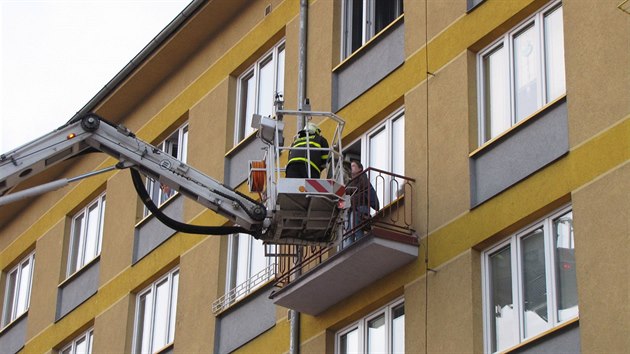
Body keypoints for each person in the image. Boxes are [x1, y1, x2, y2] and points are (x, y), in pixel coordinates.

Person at [343, 161, 379, 247]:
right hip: (351, 209)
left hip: (360, 208)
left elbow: (370, 193)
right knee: (349, 231)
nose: (351, 168)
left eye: (354, 166)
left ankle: (360, 245)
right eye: (351, 166)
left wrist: (376, 206)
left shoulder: (363, 179)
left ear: (360, 168)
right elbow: (346, 195)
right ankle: (348, 251)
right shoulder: (350, 183)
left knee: (355, 228)